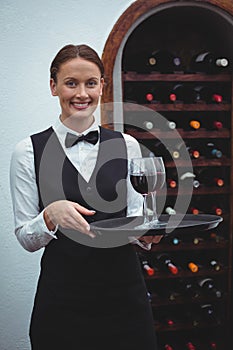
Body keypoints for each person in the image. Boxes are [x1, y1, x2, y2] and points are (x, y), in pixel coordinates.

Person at [10, 44, 162, 350]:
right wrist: (50, 215)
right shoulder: (27, 151)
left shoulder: (128, 145)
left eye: (91, 83)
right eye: (71, 83)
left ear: (102, 87)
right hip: (63, 301)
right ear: (53, 87)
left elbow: (138, 219)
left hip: (124, 297)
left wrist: (149, 234)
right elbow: (26, 238)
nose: (82, 94)